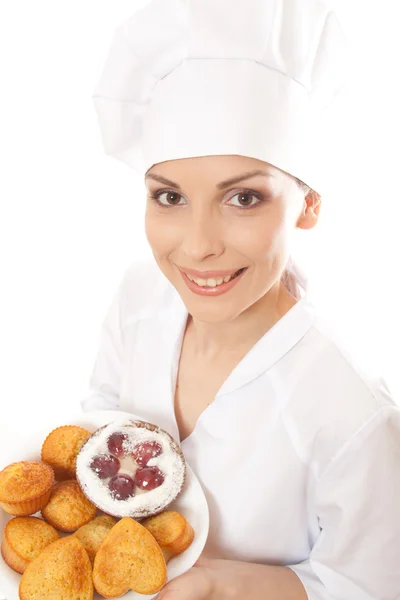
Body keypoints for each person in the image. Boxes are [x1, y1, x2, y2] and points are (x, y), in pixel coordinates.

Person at [82, 1, 400, 598]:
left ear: (308, 203)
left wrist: (217, 587)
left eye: (244, 199)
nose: (198, 248)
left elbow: (370, 586)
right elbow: (98, 417)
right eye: (170, 198)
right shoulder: (140, 296)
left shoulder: (354, 414)